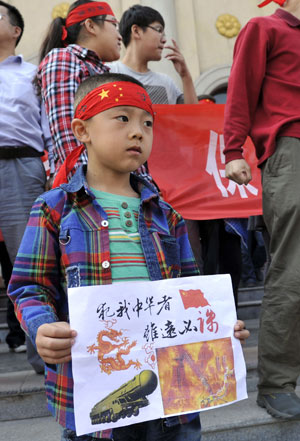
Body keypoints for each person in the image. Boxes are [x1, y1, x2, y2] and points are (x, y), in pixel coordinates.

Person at [8, 72, 249, 440]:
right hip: (93, 392)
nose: (138, 132)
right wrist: (42, 326)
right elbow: (29, 286)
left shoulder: (167, 215)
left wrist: (216, 327)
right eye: (122, 118)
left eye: (147, 123)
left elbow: (190, 290)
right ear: (82, 130)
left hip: (172, 391)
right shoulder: (54, 209)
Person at [223, 0, 300, 419]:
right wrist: (232, 149)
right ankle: (276, 383)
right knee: (293, 266)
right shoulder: (265, 28)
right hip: (292, 151)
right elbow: (240, 88)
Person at [0, 0, 54, 371]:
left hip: (20, 167)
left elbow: (49, 129)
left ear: (15, 30)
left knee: (28, 261)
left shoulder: (34, 74)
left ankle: (44, 354)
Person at [37, 0, 122, 178]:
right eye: (114, 25)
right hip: (89, 187)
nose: (120, 36)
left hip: (115, 182)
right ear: (91, 25)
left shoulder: (104, 71)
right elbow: (67, 131)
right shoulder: (63, 59)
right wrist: (85, 184)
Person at [107, 4, 198, 105]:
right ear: (136, 31)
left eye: (164, 35)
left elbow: (193, 115)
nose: (164, 40)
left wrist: (185, 76)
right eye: (159, 30)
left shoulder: (166, 83)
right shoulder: (108, 72)